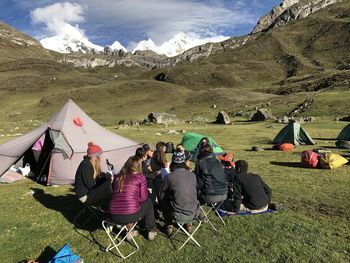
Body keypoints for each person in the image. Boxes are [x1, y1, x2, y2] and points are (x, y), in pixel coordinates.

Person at [109, 156, 157, 241]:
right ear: (138, 166)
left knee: (126, 205)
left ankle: (130, 231)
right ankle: (151, 230)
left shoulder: (117, 177)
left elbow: (114, 194)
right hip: (130, 215)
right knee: (148, 202)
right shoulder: (140, 177)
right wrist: (135, 199)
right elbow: (144, 198)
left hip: (113, 216)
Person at [159, 151, 202, 237]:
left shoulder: (169, 177)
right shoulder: (192, 175)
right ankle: (189, 225)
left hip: (179, 215)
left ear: (173, 162)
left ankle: (169, 227)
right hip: (194, 212)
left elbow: (161, 196)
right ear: (184, 162)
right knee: (187, 196)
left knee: (165, 202)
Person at [75, 142, 113, 207]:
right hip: (84, 196)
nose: (99, 157)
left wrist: (106, 176)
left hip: (89, 191)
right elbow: (90, 185)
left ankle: (111, 205)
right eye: (98, 155)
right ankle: (110, 207)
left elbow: (99, 175)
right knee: (107, 187)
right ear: (94, 157)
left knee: (106, 182)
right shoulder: (85, 165)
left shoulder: (90, 163)